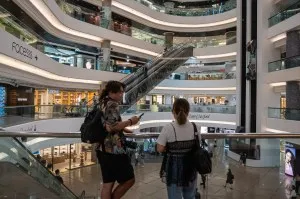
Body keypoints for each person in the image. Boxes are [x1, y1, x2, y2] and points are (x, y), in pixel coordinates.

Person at [96, 81, 140, 199]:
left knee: (107, 184)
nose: (122, 94)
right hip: (113, 150)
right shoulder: (112, 104)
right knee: (129, 180)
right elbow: (112, 127)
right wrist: (131, 122)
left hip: (102, 148)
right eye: (120, 92)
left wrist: (124, 129)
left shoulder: (102, 102)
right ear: (111, 92)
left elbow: (107, 123)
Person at [157, 98, 200, 199]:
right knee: (190, 196)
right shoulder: (195, 127)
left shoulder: (168, 127)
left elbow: (159, 148)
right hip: (191, 167)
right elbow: (198, 145)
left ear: (173, 112)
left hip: (174, 169)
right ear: (188, 112)